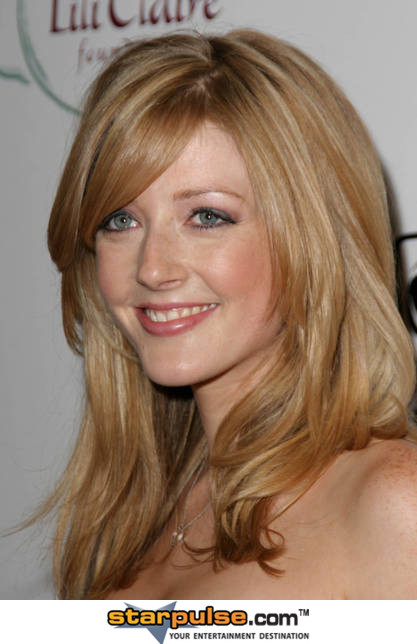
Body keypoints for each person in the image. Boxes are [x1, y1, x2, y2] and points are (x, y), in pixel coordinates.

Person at [45, 29, 417, 600]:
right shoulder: (124, 521)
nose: (152, 268)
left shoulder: (394, 505)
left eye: (207, 217)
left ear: (313, 240)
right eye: (121, 220)